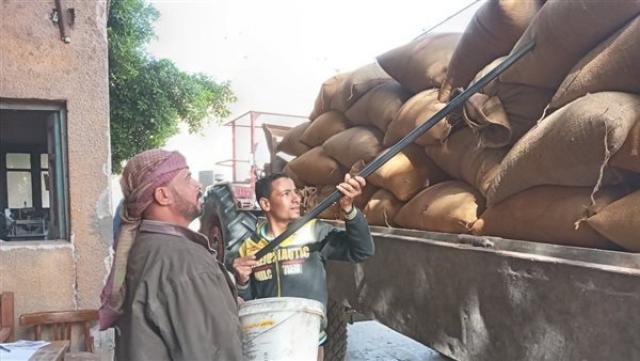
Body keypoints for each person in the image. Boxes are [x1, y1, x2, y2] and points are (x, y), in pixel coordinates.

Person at [99, 149, 243, 361]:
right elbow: (215, 354)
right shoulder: (185, 261)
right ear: (163, 196)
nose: (198, 184)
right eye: (187, 178)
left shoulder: (141, 248)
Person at [232, 173, 374, 359]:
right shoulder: (249, 247)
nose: (296, 198)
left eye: (296, 192)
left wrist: (349, 210)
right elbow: (250, 302)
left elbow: (362, 251)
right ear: (266, 204)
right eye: (286, 193)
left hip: (309, 340)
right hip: (269, 341)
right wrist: (241, 281)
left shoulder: (314, 232)